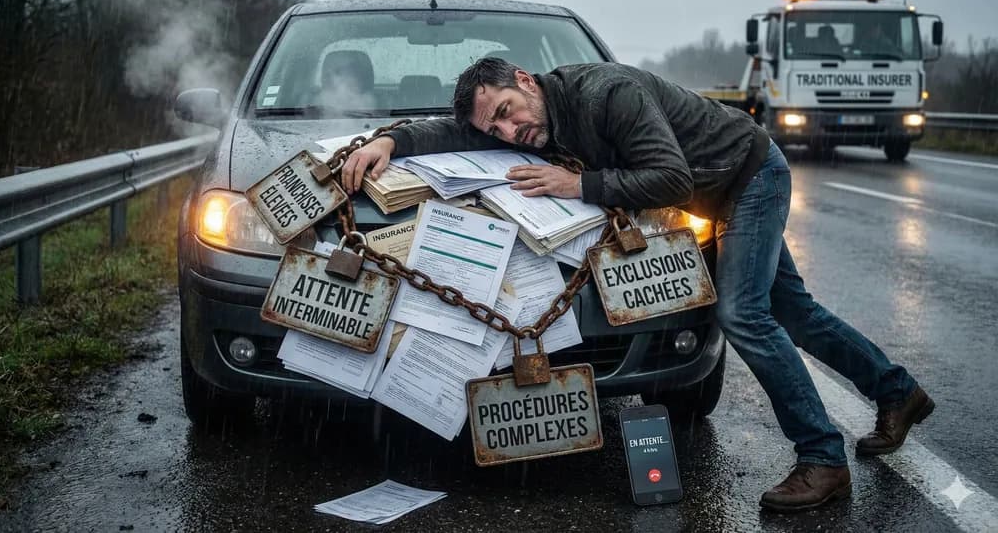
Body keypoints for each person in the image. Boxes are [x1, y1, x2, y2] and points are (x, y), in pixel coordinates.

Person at [341, 57, 934, 512]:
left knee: (743, 315)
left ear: (525, 81)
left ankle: (823, 458)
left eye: (505, 110)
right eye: (493, 127)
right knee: (795, 311)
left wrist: (580, 186)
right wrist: (390, 141)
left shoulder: (607, 94)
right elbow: (450, 134)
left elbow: (672, 178)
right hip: (720, 185)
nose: (506, 130)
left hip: (746, 176)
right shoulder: (528, 124)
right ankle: (896, 391)